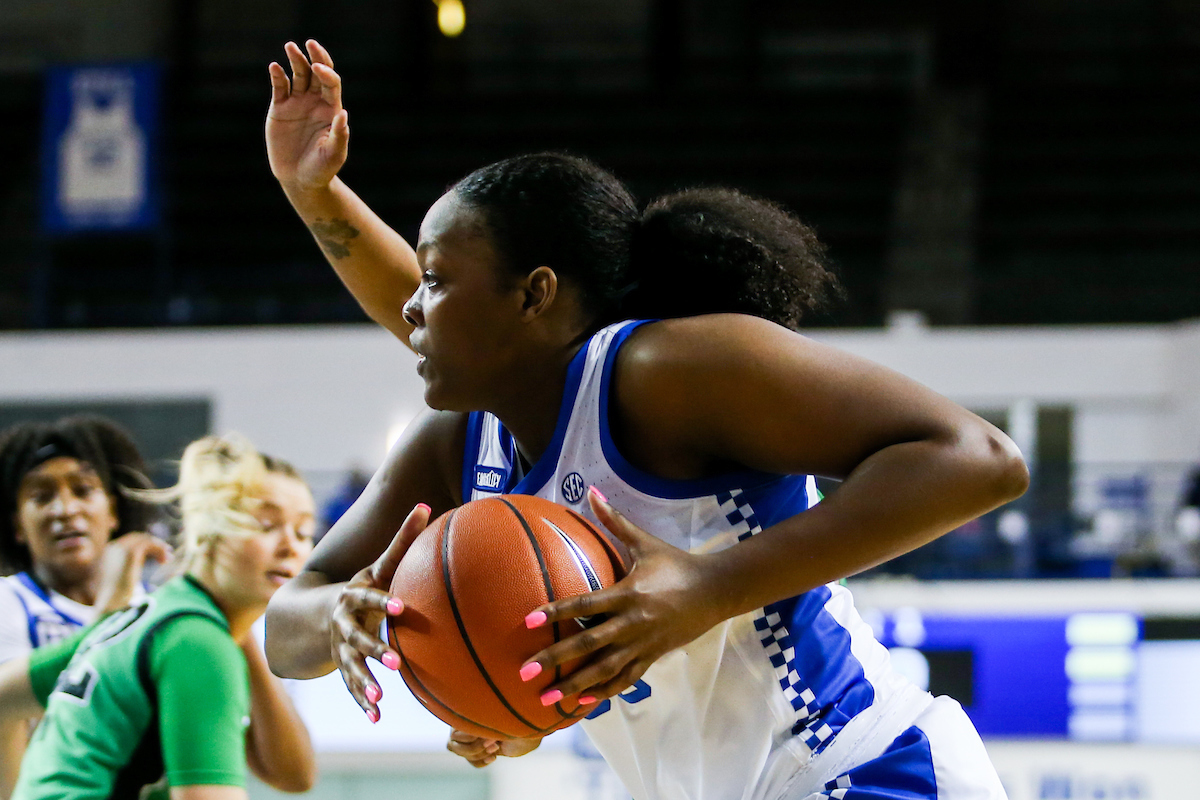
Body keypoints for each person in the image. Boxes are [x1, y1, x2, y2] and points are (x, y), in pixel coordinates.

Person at [263, 40, 1030, 800]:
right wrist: (350, 617)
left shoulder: (668, 373)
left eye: (435, 282)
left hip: (861, 766)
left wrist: (709, 588)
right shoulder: (462, 442)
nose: (411, 308)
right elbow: (286, 625)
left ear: (535, 295)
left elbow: (979, 458)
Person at [0, 433, 318, 800]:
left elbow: (294, 774)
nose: (290, 546)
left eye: (303, 532)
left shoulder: (150, 616)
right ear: (209, 530)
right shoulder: (195, 640)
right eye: (265, 525)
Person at [0, 415, 171, 793]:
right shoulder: (8, 601)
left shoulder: (160, 609)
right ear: (17, 526)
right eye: (41, 497)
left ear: (113, 511)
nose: (65, 509)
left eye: (82, 490)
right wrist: (112, 605)